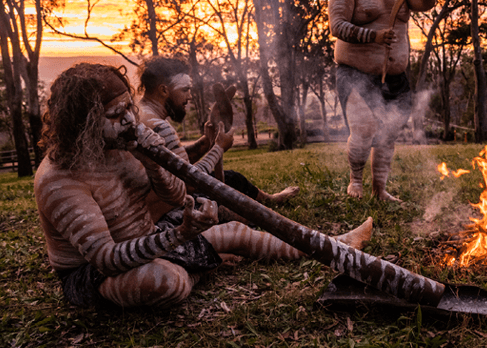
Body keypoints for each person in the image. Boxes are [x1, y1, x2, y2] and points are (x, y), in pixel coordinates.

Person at [34, 63, 372, 309]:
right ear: (85, 124)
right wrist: (179, 236)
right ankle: (198, 265)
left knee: (237, 231)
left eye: (128, 108)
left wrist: (152, 160)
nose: (127, 120)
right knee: (165, 282)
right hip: (95, 274)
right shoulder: (60, 179)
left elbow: (179, 193)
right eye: (114, 113)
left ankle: (334, 246)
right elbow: (106, 259)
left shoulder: (126, 142)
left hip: (150, 238)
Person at [328, 0, 435, 201]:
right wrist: (373, 36)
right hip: (356, 73)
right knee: (363, 130)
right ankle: (355, 181)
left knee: (388, 134)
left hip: (396, 75)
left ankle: (380, 189)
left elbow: (426, 2)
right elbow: (337, 26)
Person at [136, 56, 298, 221]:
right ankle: (261, 215)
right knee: (241, 216)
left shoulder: (139, 113)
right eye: (185, 90)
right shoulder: (159, 126)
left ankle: (270, 199)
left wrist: (206, 142)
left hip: (155, 205)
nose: (190, 96)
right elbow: (189, 182)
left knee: (231, 178)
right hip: (164, 212)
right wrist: (218, 147)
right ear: (164, 90)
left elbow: (174, 162)